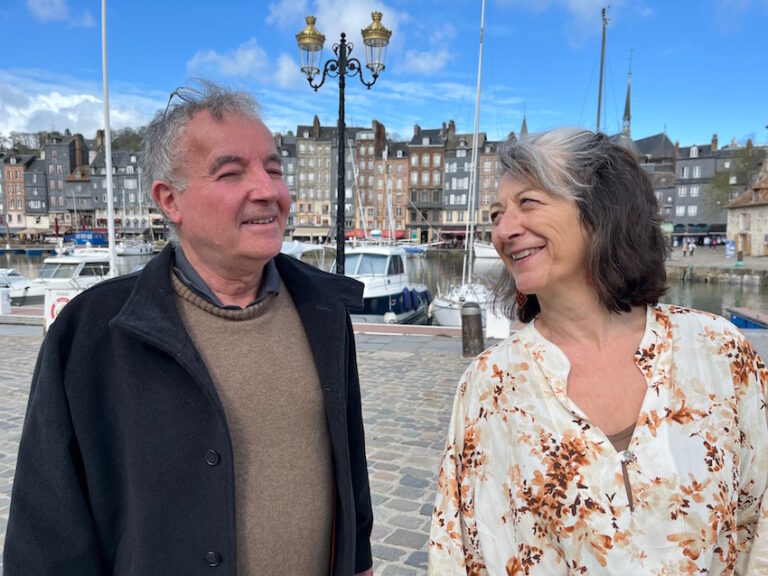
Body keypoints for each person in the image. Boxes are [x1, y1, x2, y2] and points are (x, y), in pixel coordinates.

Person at [4, 82, 374, 576]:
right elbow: (46, 534)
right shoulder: (92, 334)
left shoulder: (324, 311)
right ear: (170, 200)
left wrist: (360, 561)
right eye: (231, 173)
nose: (267, 190)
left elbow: (351, 467)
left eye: (274, 168)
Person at [428, 128, 767, 574]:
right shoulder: (490, 385)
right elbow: (459, 551)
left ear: (601, 211)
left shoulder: (718, 352)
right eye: (495, 214)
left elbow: (758, 520)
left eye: (528, 202)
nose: (504, 230)